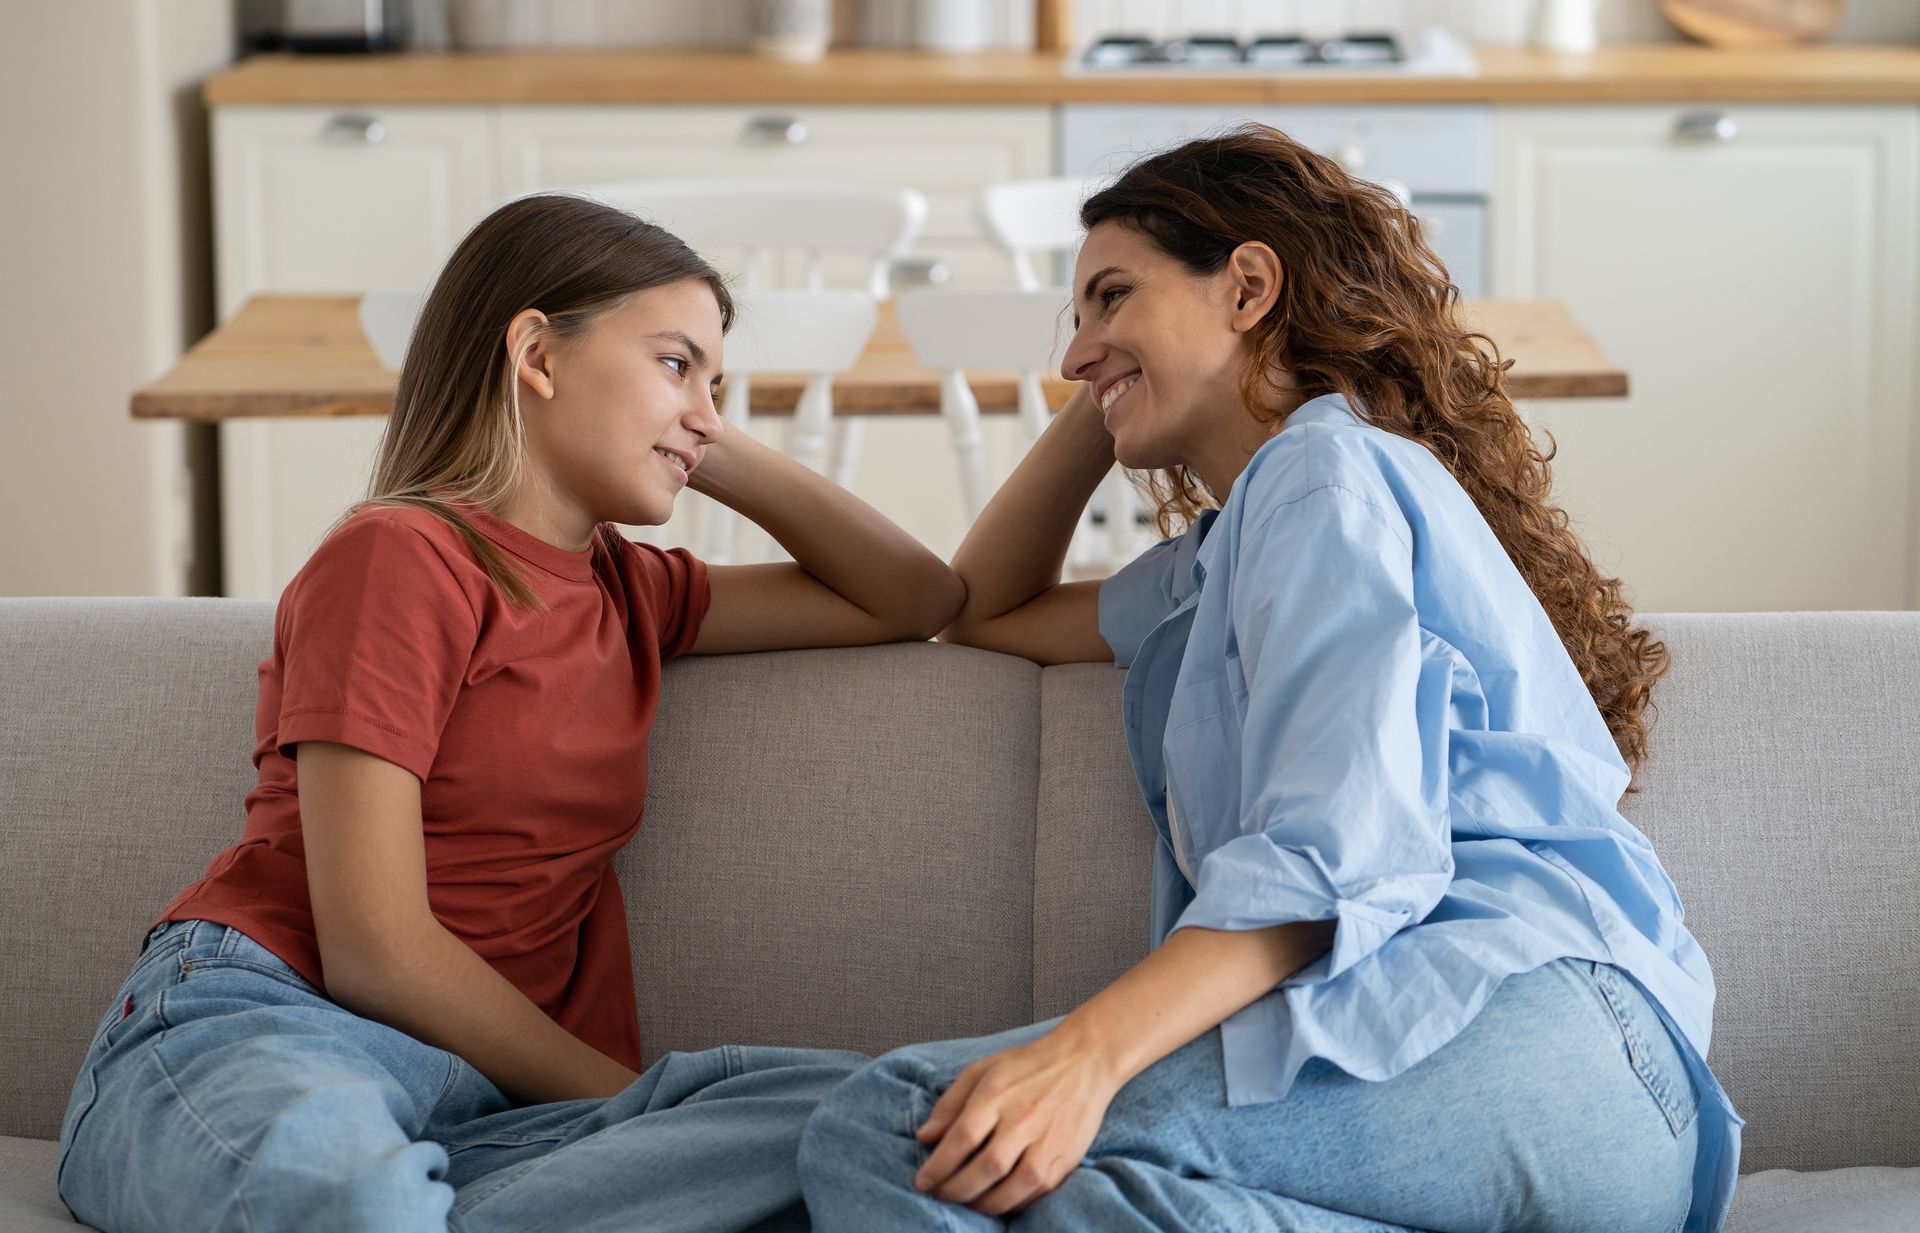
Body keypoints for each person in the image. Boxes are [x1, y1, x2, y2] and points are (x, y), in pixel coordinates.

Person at [796, 124, 1741, 1233]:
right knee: (1037, 1191)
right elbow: (983, 608)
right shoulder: (1230, 549)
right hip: (1576, 1094)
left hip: (1521, 1024)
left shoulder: (1321, 475)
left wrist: (1086, 1057)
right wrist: (1117, 379)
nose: (1073, 353)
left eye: (1111, 296)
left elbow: (1334, 852)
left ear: (1249, 286)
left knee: (901, 1121)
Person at [56, 193, 964, 1233]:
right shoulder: (400, 557)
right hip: (279, 1024)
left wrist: (696, 431)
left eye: (715, 381)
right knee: (360, 1199)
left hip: (492, 1108)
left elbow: (916, 597)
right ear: (536, 354)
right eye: (676, 363)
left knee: (890, 1121)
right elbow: (376, 950)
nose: (707, 408)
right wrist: (635, 1103)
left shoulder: (632, 592)